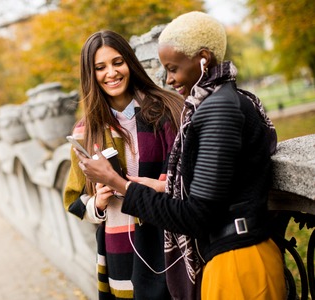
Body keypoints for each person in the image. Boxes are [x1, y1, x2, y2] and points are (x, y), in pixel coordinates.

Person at [75, 12, 286, 300]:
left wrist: (122, 184)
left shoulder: (205, 110)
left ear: (202, 58)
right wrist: (104, 200)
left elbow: (194, 211)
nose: (168, 79)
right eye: (100, 67)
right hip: (147, 248)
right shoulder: (223, 102)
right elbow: (196, 188)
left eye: (172, 68)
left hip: (210, 250)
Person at [63, 30, 183, 299]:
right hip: (120, 245)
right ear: (90, 74)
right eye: (100, 67)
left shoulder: (167, 109)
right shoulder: (85, 131)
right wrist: (98, 203)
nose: (111, 73)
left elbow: (185, 177)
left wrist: (158, 186)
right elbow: (74, 201)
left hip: (167, 234)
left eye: (117, 62)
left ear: (130, 62)